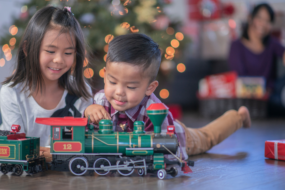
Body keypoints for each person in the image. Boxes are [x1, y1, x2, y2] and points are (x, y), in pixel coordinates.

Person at [85, 33, 251, 159]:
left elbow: (172, 153)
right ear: (105, 75)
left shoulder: (155, 111)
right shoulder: (99, 101)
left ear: (150, 88)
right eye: (112, 82)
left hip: (180, 136)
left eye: (131, 86)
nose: (119, 92)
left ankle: (238, 117)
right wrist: (88, 111)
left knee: (207, 137)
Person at [0, 6, 93, 160]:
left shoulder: (82, 92)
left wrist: (54, 155)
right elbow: (17, 148)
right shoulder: (11, 92)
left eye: (68, 53)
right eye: (50, 51)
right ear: (28, 49)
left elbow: (82, 144)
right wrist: (54, 155)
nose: (59, 60)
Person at [228, 3, 285, 89]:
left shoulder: (272, 43)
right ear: (250, 18)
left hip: (270, 97)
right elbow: (239, 79)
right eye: (260, 18)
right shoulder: (237, 46)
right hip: (247, 98)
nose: (263, 24)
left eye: (268, 21)